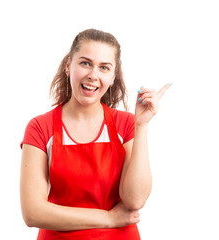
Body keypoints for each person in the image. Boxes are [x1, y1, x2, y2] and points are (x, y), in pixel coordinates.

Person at [20, 28, 171, 240]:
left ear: (112, 77)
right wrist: (108, 218)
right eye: (85, 63)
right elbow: (32, 212)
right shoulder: (40, 128)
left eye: (104, 68)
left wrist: (142, 126)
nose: (93, 75)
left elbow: (134, 200)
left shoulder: (126, 125)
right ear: (68, 67)